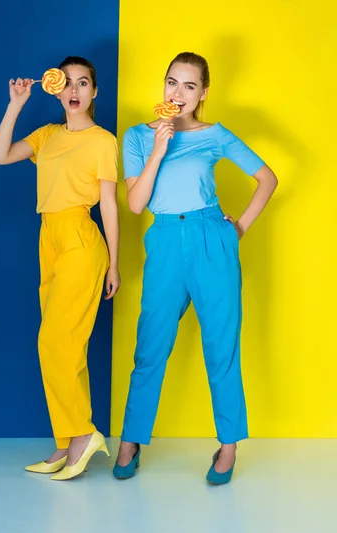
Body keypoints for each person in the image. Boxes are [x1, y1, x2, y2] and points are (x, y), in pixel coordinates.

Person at [113, 52, 277, 484]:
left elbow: (267, 179)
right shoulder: (136, 136)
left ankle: (227, 446)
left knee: (221, 348)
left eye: (189, 86)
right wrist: (159, 148)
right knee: (151, 346)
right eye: (171, 82)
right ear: (163, 86)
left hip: (211, 240)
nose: (178, 93)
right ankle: (131, 439)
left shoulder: (216, 135)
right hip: (165, 240)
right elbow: (135, 204)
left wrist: (238, 226)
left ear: (203, 93)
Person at [0, 56, 120, 481]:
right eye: (67, 83)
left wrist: (114, 264)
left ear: (94, 92)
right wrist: (16, 104)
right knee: (66, 349)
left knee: (54, 341)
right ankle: (66, 443)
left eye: (83, 83)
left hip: (83, 239)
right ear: (56, 89)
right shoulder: (47, 135)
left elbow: (108, 205)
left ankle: (83, 434)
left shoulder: (103, 141)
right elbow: (0, 156)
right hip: (49, 239)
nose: (75, 91)